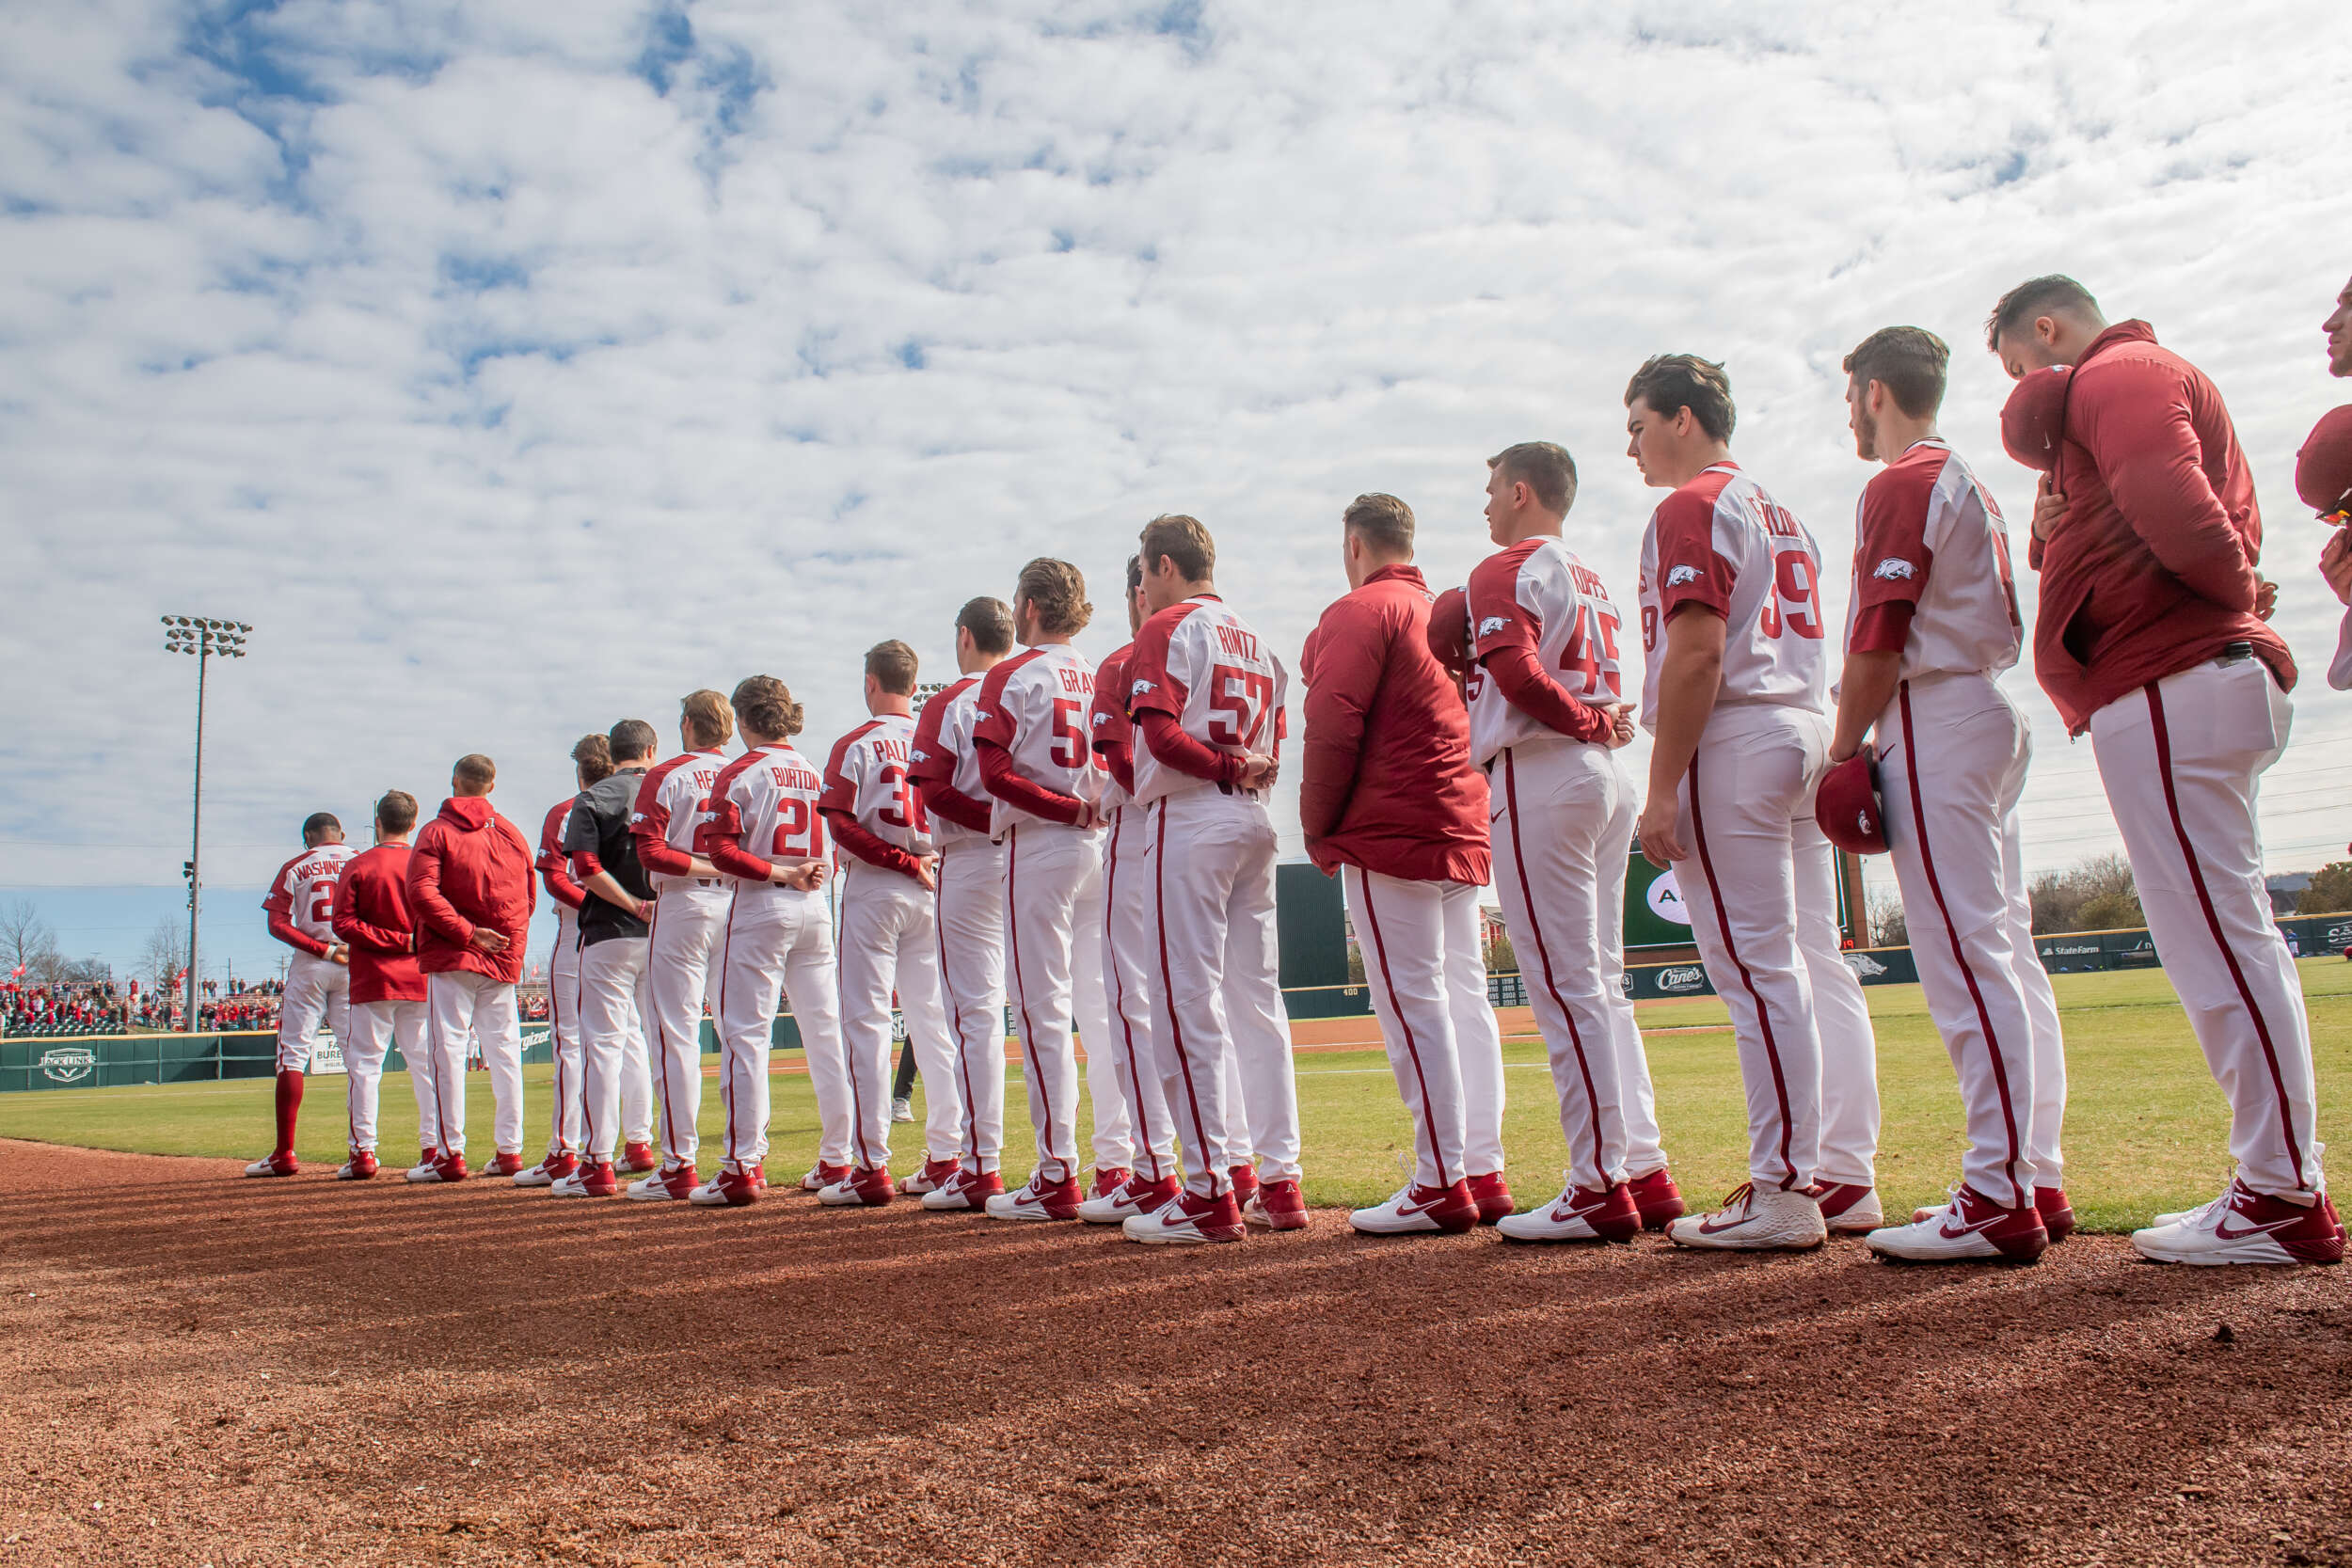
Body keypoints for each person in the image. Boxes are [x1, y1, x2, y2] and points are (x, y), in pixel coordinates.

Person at [1991, 276, 2338, 1264]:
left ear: (2047, 332)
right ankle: (2273, 1179)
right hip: (2172, 679)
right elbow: (2118, 514)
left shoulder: (2120, 370)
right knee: (2220, 935)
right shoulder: (2117, 382)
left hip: (2171, 678)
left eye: (2021, 364)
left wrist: (2235, 583)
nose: (2027, 389)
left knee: (2220, 941)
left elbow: (2167, 498)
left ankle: (2280, 1192)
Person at [1818, 326, 2070, 1264]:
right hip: (1984, 707)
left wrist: (1843, 746)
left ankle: (1998, 1192)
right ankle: (2031, 1174)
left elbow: (1879, 635)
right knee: (2005, 953)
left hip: (1934, 714)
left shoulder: (1900, 480)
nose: (1848, 414)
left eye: (1850, 397)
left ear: (1876, 391)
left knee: (1969, 962)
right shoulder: (1964, 476)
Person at [1626, 354, 1882, 1251]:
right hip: (1802, 722)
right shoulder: (1782, 508)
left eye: (1639, 424)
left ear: (1685, 419)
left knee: (1758, 970)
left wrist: (1661, 787)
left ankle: (1782, 1188)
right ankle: (1844, 1171)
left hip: (1733, 736)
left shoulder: (1691, 504)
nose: (1632, 446)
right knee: (1815, 962)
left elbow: (1698, 653)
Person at [1448, 446, 1686, 1242]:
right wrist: (1592, 721)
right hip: (1604, 772)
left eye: (1490, 489)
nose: (1485, 505)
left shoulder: (1504, 566)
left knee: (1564, 983)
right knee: (1604, 984)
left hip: (1544, 767)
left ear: (1521, 491)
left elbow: (1514, 672)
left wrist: (1581, 719)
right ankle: (1643, 1168)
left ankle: (1597, 1183)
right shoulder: (1587, 573)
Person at [1301, 494, 1502, 1237]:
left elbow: (1331, 723)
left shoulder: (1361, 609)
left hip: (1393, 826)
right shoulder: (1447, 608)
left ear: (1354, 544)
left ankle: (1441, 1177)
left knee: (1414, 1003)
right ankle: (1479, 1165)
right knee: (1463, 1000)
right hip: (1462, 816)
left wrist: (1319, 826)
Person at [1120, 515, 1303, 1244]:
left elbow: (1160, 734)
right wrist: (1239, 768)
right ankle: (1280, 1182)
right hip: (1254, 818)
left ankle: (1208, 1192)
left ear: (1165, 565)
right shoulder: (1257, 638)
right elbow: (1277, 742)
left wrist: (1224, 766)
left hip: (1193, 815)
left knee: (1181, 1000)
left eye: (1143, 568)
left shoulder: (1166, 629)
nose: (1140, 582)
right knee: (1257, 1003)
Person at [970, 558, 1133, 1220]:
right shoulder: (1098, 671)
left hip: (1042, 842)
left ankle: (1057, 1170)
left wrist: (1063, 810)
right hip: (1101, 841)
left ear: (1031, 607)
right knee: (1104, 1009)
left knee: (1042, 1010)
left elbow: (993, 773)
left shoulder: (1011, 673)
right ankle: (1120, 1161)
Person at [817, 642, 959, 1207]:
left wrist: (900, 861)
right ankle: (948, 1155)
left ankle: (872, 1163)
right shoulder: (935, 733)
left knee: (869, 1022)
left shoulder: (855, 743)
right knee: (934, 1022)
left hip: (878, 883)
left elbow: (841, 826)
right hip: (936, 878)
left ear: (871, 681)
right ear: (913, 681)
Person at [697, 675, 837, 1206]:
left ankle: (742, 1165)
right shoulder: (812, 769)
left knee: (745, 1036)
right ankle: (840, 1155)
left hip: (763, 903)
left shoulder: (739, 771)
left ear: (744, 718)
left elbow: (723, 854)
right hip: (816, 906)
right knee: (826, 1034)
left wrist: (781, 875)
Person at [1080, 557, 1184, 1224]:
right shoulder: (1224, 640)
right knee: (1216, 1000)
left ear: (1138, 590)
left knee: (1129, 1001)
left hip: (1138, 824)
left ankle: (1152, 1167)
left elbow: (1112, 760)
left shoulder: (1125, 657)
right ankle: (1241, 1165)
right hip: (1210, 815)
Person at [907, 597, 1017, 1210]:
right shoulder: (1029, 685)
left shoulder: (948, 701)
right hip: (1039, 849)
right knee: (1044, 1009)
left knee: (972, 1014)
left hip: (972, 858)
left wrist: (997, 816)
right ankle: (1103, 1165)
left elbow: (936, 791)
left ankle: (979, 1163)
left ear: (965, 638)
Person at [626, 692, 737, 1202]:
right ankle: (743, 1160)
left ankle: (679, 1163)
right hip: (740, 904)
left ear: (687, 724)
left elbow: (650, 851)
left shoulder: (665, 773)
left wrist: (712, 865)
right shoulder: (744, 769)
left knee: (675, 1035)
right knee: (740, 1034)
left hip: (685, 902)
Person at [403, 754, 535, 1182]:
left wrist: (469, 933)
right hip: (500, 954)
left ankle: (449, 1154)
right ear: (491, 786)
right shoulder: (512, 831)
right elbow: (529, 897)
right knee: (504, 1054)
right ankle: (510, 1151)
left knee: (448, 1052)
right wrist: (504, 938)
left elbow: (421, 892)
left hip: (456, 953)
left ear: (455, 781)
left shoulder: (437, 830)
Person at [553, 722, 660, 1197]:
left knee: (603, 1047)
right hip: (663, 935)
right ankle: (650, 1148)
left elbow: (585, 870)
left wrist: (633, 904)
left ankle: (598, 1164)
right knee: (653, 1045)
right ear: (650, 750)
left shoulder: (593, 797)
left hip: (610, 933)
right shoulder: (667, 789)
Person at [515, 736, 607, 1187]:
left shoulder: (566, 810)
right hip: (635, 923)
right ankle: (638, 1143)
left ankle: (567, 1151)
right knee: (628, 1040)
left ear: (579, 771)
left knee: (570, 1041)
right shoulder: (639, 798)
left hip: (580, 925)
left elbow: (554, 878)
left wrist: (594, 905)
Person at [243, 813, 356, 1178]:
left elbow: (276, 924)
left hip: (313, 962)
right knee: (360, 1058)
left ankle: (285, 1153)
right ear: (342, 834)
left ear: (308, 838)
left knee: (292, 1056)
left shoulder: (296, 865)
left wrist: (321, 950)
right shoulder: (362, 859)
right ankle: (362, 1152)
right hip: (356, 961)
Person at [327, 793, 425, 1181]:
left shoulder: (360, 864)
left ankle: (363, 1153)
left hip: (373, 977)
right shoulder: (427, 862)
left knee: (365, 1068)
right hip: (420, 976)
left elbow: (343, 924)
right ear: (413, 822)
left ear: (377, 821)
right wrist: (409, 941)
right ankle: (434, 1147)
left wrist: (392, 940)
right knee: (427, 1068)